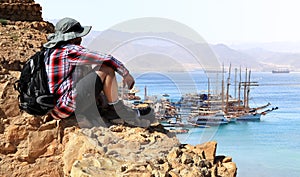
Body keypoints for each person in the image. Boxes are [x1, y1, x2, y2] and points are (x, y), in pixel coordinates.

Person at [43, 17, 154, 127]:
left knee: (87, 68)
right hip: (66, 107)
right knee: (106, 68)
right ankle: (118, 112)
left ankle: (107, 109)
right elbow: (107, 59)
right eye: (79, 36)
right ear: (72, 38)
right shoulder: (70, 50)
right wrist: (126, 74)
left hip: (53, 109)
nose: (81, 39)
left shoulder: (50, 51)